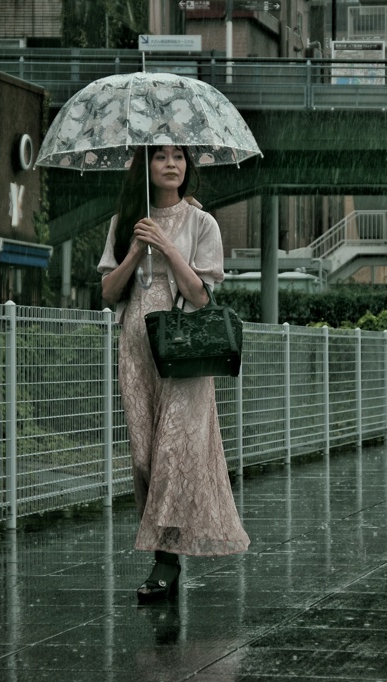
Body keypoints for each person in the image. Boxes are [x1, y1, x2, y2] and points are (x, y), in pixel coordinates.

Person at [97, 145, 250, 603]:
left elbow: (202, 295)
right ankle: (167, 546)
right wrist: (136, 249)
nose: (171, 164)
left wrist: (166, 247)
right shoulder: (125, 221)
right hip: (137, 343)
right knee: (144, 457)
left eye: (179, 157)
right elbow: (108, 292)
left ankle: (165, 561)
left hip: (184, 345)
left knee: (173, 452)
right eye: (160, 156)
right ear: (145, 166)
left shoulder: (203, 223)